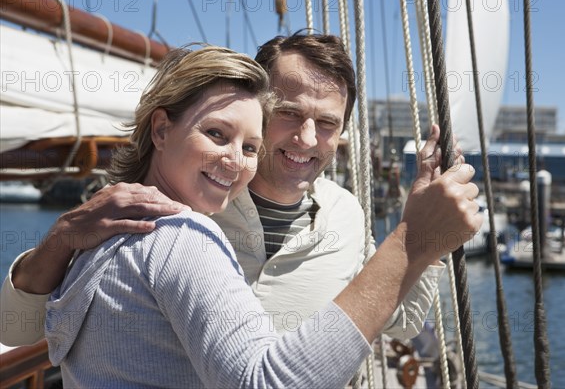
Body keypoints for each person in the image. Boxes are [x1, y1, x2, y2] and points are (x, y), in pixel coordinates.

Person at [2, 34, 470, 349]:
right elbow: (17, 328)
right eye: (289, 113)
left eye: (326, 123)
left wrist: (430, 238)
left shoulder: (347, 214)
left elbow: (401, 323)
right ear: (256, 107)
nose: (307, 139)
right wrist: (61, 237)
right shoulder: (170, 203)